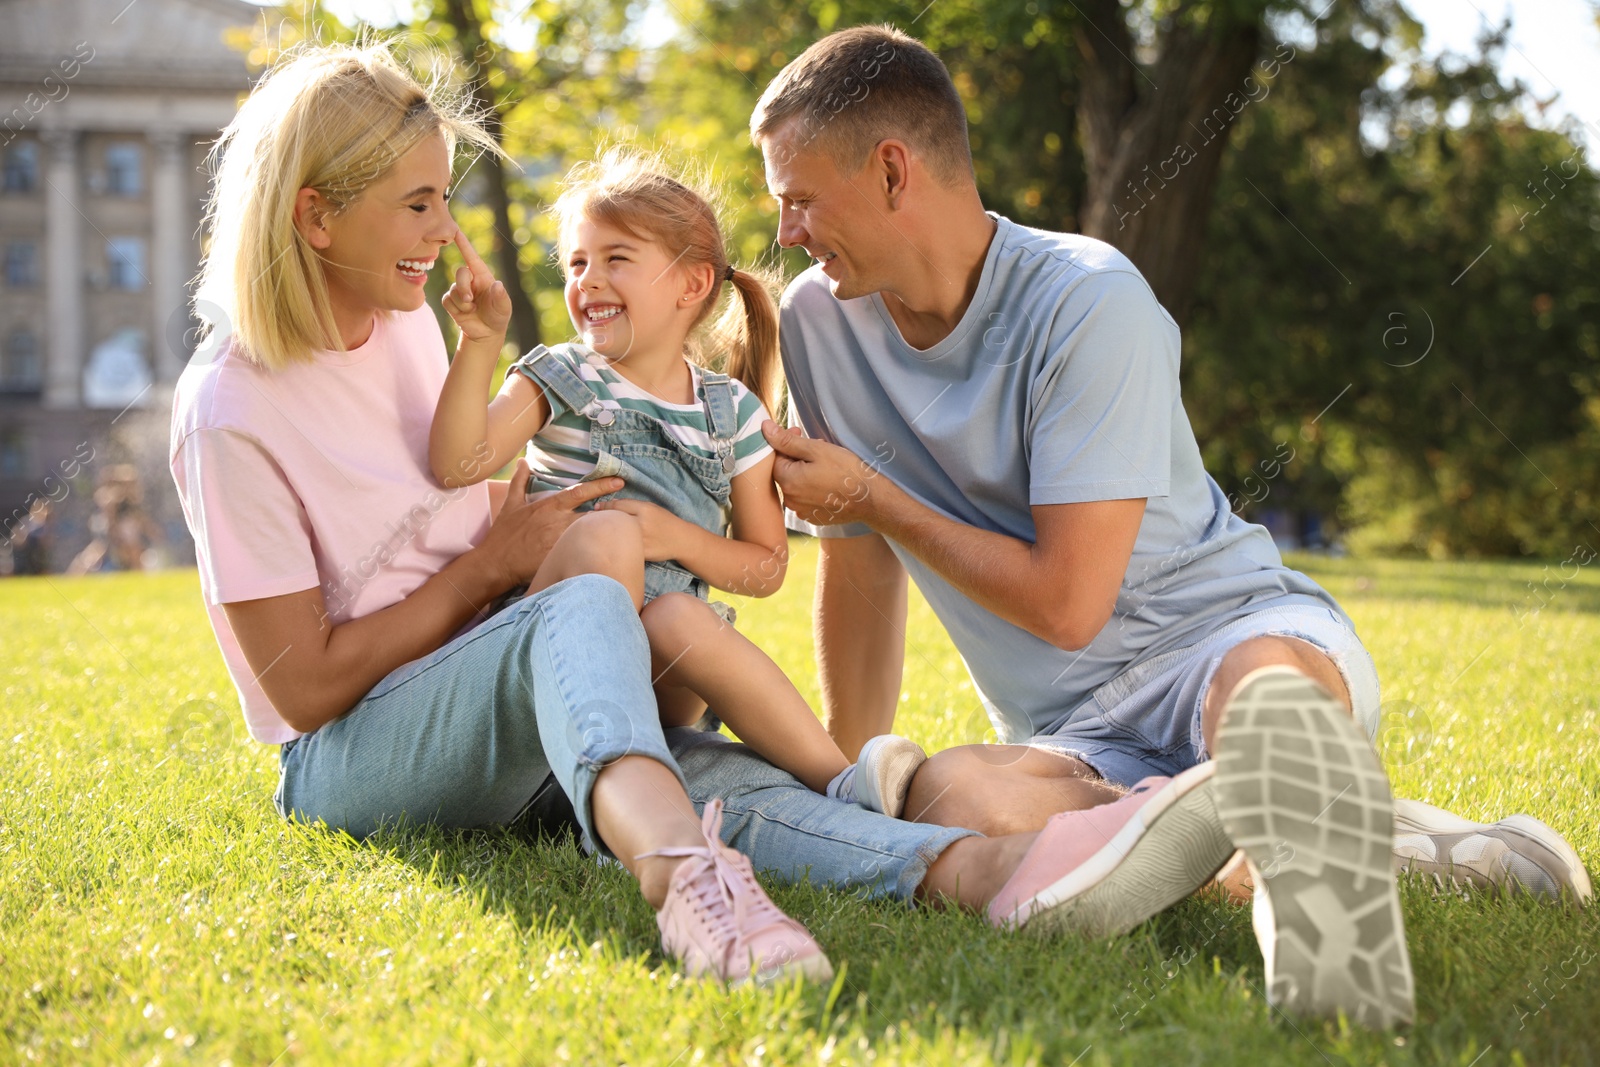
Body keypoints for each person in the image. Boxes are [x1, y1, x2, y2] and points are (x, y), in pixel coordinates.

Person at [167, 41, 1239, 989]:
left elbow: (452, 491)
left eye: (442, 198)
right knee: (590, 588)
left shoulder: (407, 323)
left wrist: (510, 541)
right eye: (416, 205)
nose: (443, 232)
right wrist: (494, 566)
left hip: (509, 687)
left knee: (714, 764)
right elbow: (299, 691)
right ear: (315, 213)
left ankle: (991, 866)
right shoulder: (231, 409)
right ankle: (684, 878)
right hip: (359, 755)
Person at [749, 24, 1592, 1028]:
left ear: (892, 170)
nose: (788, 229)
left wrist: (878, 497)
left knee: (1264, 702)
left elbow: (1067, 604)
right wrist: (848, 775)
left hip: (1226, 640)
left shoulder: (1085, 300)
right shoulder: (815, 321)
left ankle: (1305, 883)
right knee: (946, 796)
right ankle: (1358, 842)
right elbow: (860, 567)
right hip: (1075, 734)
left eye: (798, 198)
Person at [428, 150, 927, 817]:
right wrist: (479, 344)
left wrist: (675, 537)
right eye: (577, 262)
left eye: (616, 259)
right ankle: (612, 781)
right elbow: (458, 465)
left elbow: (765, 565)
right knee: (614, 557)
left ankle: (841, 782)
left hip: (661, 673)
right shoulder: (559, 378)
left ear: (689, 285)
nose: (588, 280)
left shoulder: (732, 415)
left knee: (677, 616)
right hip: (549, 650)